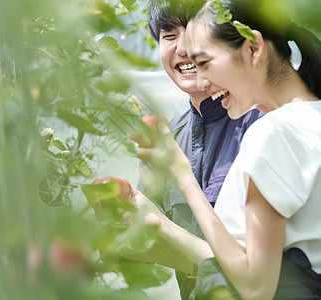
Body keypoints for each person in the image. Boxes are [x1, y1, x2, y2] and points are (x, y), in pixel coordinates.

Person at [134, 0, 321, 298]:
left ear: (252, 48)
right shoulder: (308, 118)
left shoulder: (270, 133)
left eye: (205, 62)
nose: (203, 80)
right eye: (169, 36)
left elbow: (255, 285)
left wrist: (182, 178)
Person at [137, 0, 261, 298]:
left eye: (195, 29)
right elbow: (174, 253)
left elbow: (264, 271)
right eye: (169, 36)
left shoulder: (263, 125)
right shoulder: (166, 136)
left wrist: (162, 227)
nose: (182, 49)